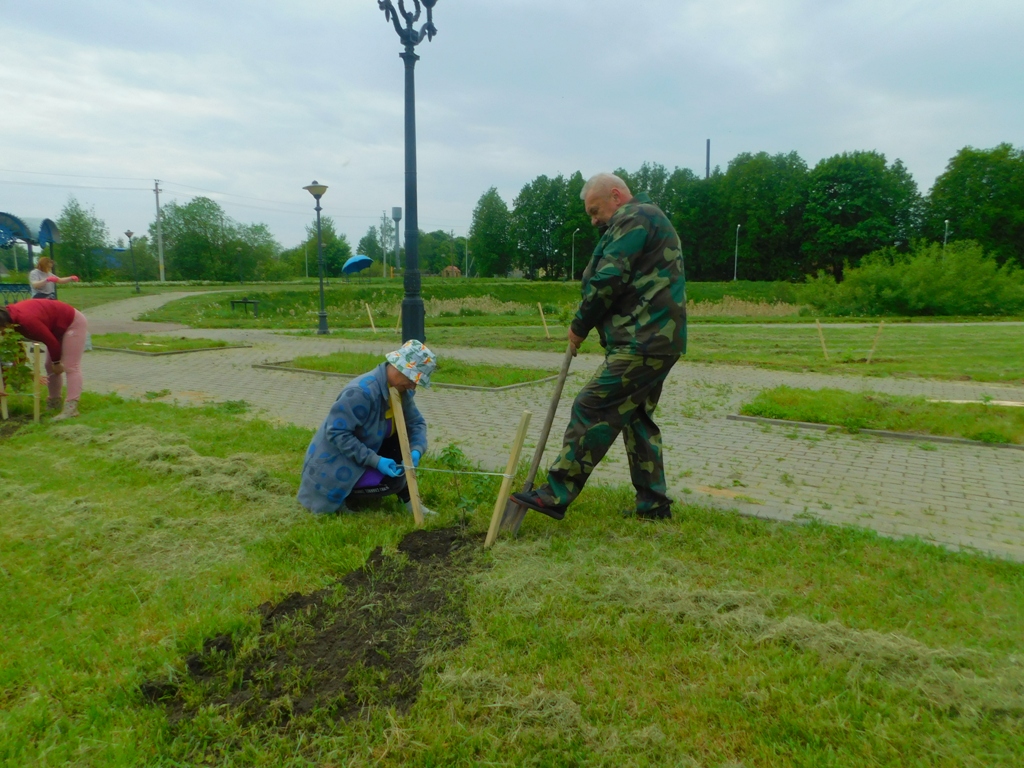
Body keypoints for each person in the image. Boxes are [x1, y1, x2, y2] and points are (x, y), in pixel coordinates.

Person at [512, 172, 686, 521]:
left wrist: (580, 325)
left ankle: (557, 492)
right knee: (636, 419)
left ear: (616, 196)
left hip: (643, 340)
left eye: (595, 210)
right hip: (656, 339)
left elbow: (609, 277)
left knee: (591, 406)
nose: (593, 220)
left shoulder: (635, 217)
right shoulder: (640, 218)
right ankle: (654, 505)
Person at [298, 339, 438, 516]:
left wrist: (416, 450)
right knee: (391, 482)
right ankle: (341, 498)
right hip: (336, 462)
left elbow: (416, 423)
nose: (413, 386)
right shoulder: (361, 392)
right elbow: (337, 433)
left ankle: (409, 501)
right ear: (398, 367)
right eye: (412, 379)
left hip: (369, 448)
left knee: (399, 456)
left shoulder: (402, 390)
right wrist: (376, 461)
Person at [0, 298, 89, 420]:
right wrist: (24, 371)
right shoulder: (9, 324)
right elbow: (15, 353)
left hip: (71, 323)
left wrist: (57, 362)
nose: (1, 333)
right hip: (56, 327)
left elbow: (51, 342)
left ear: (5, 325)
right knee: (49, 365)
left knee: (70, 366)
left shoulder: (27, 321)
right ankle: (54, 402)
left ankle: (71, 408)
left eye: (1, 330)